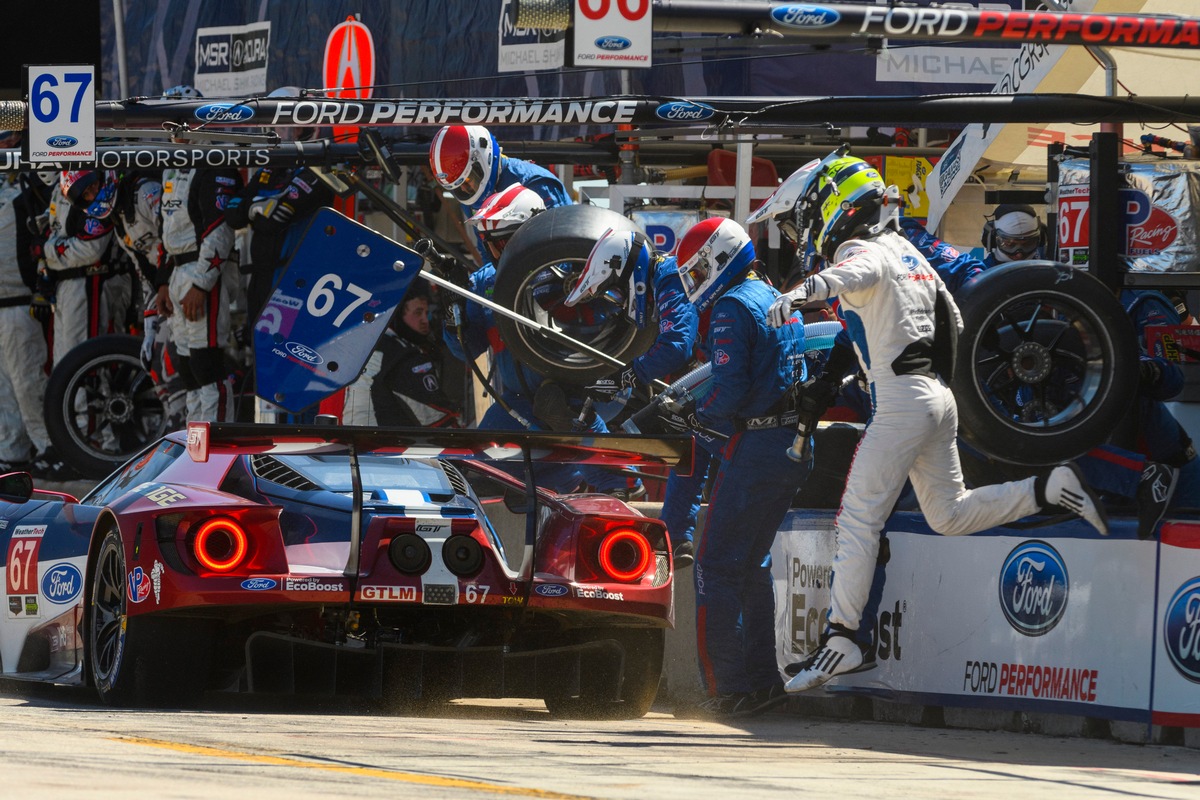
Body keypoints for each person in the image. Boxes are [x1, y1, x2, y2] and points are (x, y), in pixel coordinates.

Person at [764, 151, 1108, 694]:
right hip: (937, 397)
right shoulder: (910, 252)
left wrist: (799, 295)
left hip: (901, 401)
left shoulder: (864, 249)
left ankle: (842, 638)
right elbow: (955, 319)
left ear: (830, 206)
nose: (797, 232)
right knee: (949, 513)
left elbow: (854, 271)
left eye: (797, 219)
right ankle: (1047, 489)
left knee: (857, 520)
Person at [669, 216, 810, 718]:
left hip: (757, 446)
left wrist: (692, 415)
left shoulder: (730, 306)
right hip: (791, 443)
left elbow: (728, 392)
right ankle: (764, 682)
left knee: (714, 567)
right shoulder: (772, 295)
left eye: (695, 268)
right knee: (752, 567)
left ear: (717, 259)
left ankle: (729, 688)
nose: (691, 280)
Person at [438, 184, 640, 498]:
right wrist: (453, 307)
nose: (498, 253)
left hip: (588, 388)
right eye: (492, 245)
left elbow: (615, 328)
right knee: (477, 462)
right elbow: (466, 349)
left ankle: (623, 485)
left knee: (557, 403)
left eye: (506, 242)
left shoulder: (578, 268)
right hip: (521, 399)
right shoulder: (483, 283)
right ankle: (546, 488)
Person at [564, 226, 702, 566]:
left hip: (731, 379)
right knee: (689, 453)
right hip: (721, 379)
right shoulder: (663, 281)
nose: (619, 302)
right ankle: (678, 538)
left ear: (628, 271)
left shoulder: (670, 275)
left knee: (684, 446)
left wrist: (627, 375)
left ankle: (674, 532)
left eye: (615, 291)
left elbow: (676, 346)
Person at [156, 86, 244, 423]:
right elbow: (169, 232)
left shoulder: (215, 163)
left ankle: (217, 445)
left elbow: (221, 230)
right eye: (169, 124)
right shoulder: (173, 167)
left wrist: (202, 284)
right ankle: (196, 441)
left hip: (203, 273)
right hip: (179, 274)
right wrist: (163, 281)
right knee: (186, 367)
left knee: (206, 364)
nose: (174, 132)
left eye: (180, 122)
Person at [429, 124, 571, 261]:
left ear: (484, 159)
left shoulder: (537, 183)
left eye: (467, 181)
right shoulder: (470, 199)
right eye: (457, 188)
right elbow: (488, 254)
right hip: (513, 275)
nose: (464, 190)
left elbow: (562, 248)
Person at [342, 279, 462, 427]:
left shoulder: (370, 343)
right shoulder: (403, 355)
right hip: (380, 446)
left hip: (354, 442)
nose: (425, 320)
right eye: (418, 313)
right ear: (397, 314)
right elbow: (440, 422)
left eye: (427, 313)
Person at [42, 170, 124, 367]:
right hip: (64, 285)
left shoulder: (99, 187)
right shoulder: (62, 186)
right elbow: (52, 230)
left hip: (90, 282)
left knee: (84, 366)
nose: (90, 193)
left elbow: (91, 250)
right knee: (63, 366)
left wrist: (46, 251)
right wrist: (44, 269)